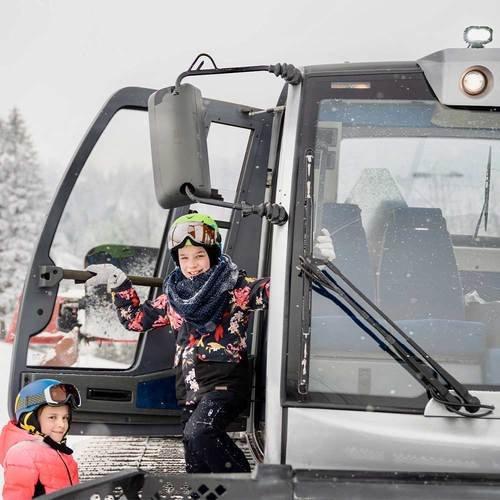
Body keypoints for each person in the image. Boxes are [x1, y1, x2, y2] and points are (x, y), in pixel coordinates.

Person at [86, 213, 270, 473]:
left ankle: (246, 489)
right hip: (189, 389)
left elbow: (276, 289)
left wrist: (318, 262)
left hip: (225, 384)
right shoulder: (174, 298)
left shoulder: (236, 289)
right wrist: (120, 284)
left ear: (213, 254)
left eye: (199, 256)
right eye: (184, 257)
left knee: (201, 432)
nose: (192, 264)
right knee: (196, 464)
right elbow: (136, 320)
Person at [0, 378, 81, 499]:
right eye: (52, 417)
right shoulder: (22, 453)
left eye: (65, 418)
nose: (61, 424)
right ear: (30, 420)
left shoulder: (63, 453)